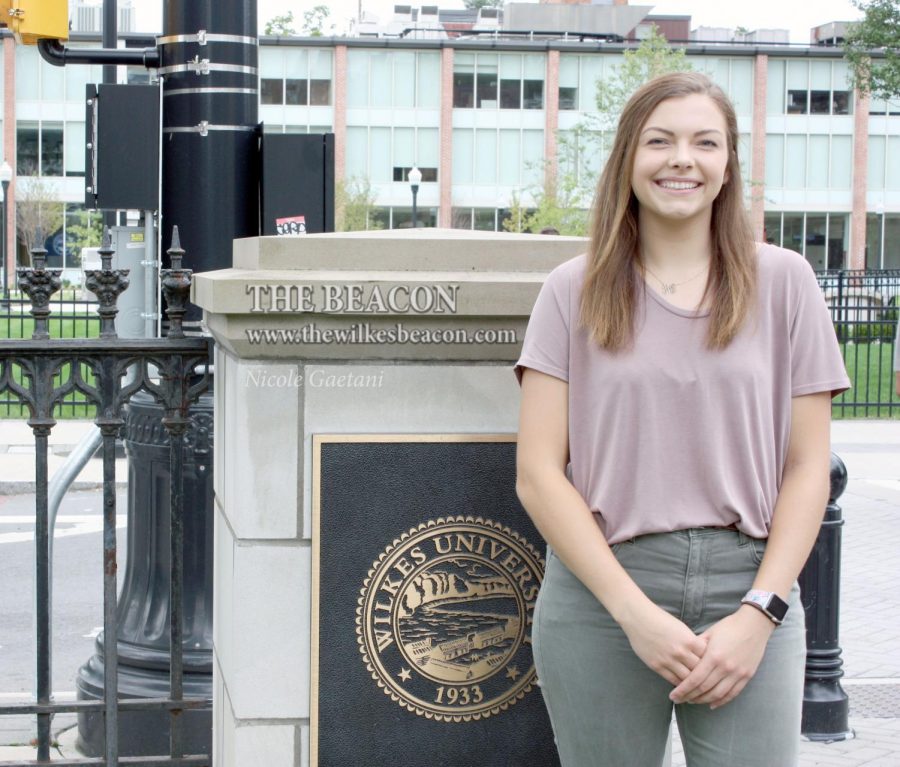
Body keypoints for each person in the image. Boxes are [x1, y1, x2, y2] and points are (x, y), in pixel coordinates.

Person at [514, 72, 851, 767]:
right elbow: (539, 474)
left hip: (750, 584)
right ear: (628, 159)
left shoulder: (786, 284)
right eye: (659, 141)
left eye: (705, 142)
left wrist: (762, 611)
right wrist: (634, 615)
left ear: (727, 165)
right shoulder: (570, 292)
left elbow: (808, 468)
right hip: (602, 595)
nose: (681, 160)